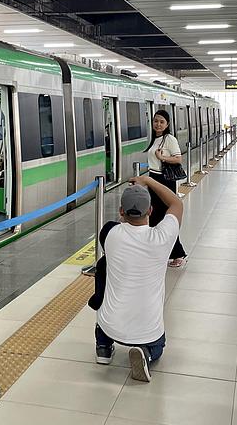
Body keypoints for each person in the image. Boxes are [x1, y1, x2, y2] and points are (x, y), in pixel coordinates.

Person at [95, 175, 183, 382]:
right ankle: (147, 353)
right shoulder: (162, 238)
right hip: (147, 331)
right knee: (158, 344)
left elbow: (120, 227)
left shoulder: (109, 233)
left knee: (105, 308)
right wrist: (148, 181)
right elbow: (176, 203)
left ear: (121, 212)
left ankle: (103, 348)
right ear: (151, 211)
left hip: (110, 324)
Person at [144, 109, 187, 267]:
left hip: (164, 180)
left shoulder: (169, 139)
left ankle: (179, 254)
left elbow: (178, 159)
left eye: (162, 121)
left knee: (165, 217)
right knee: (154, 217)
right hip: (153, 178)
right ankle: (158, 252)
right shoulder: (155, 139)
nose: (158, 124)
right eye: (156, 121)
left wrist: (162, 157)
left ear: (167, 124)